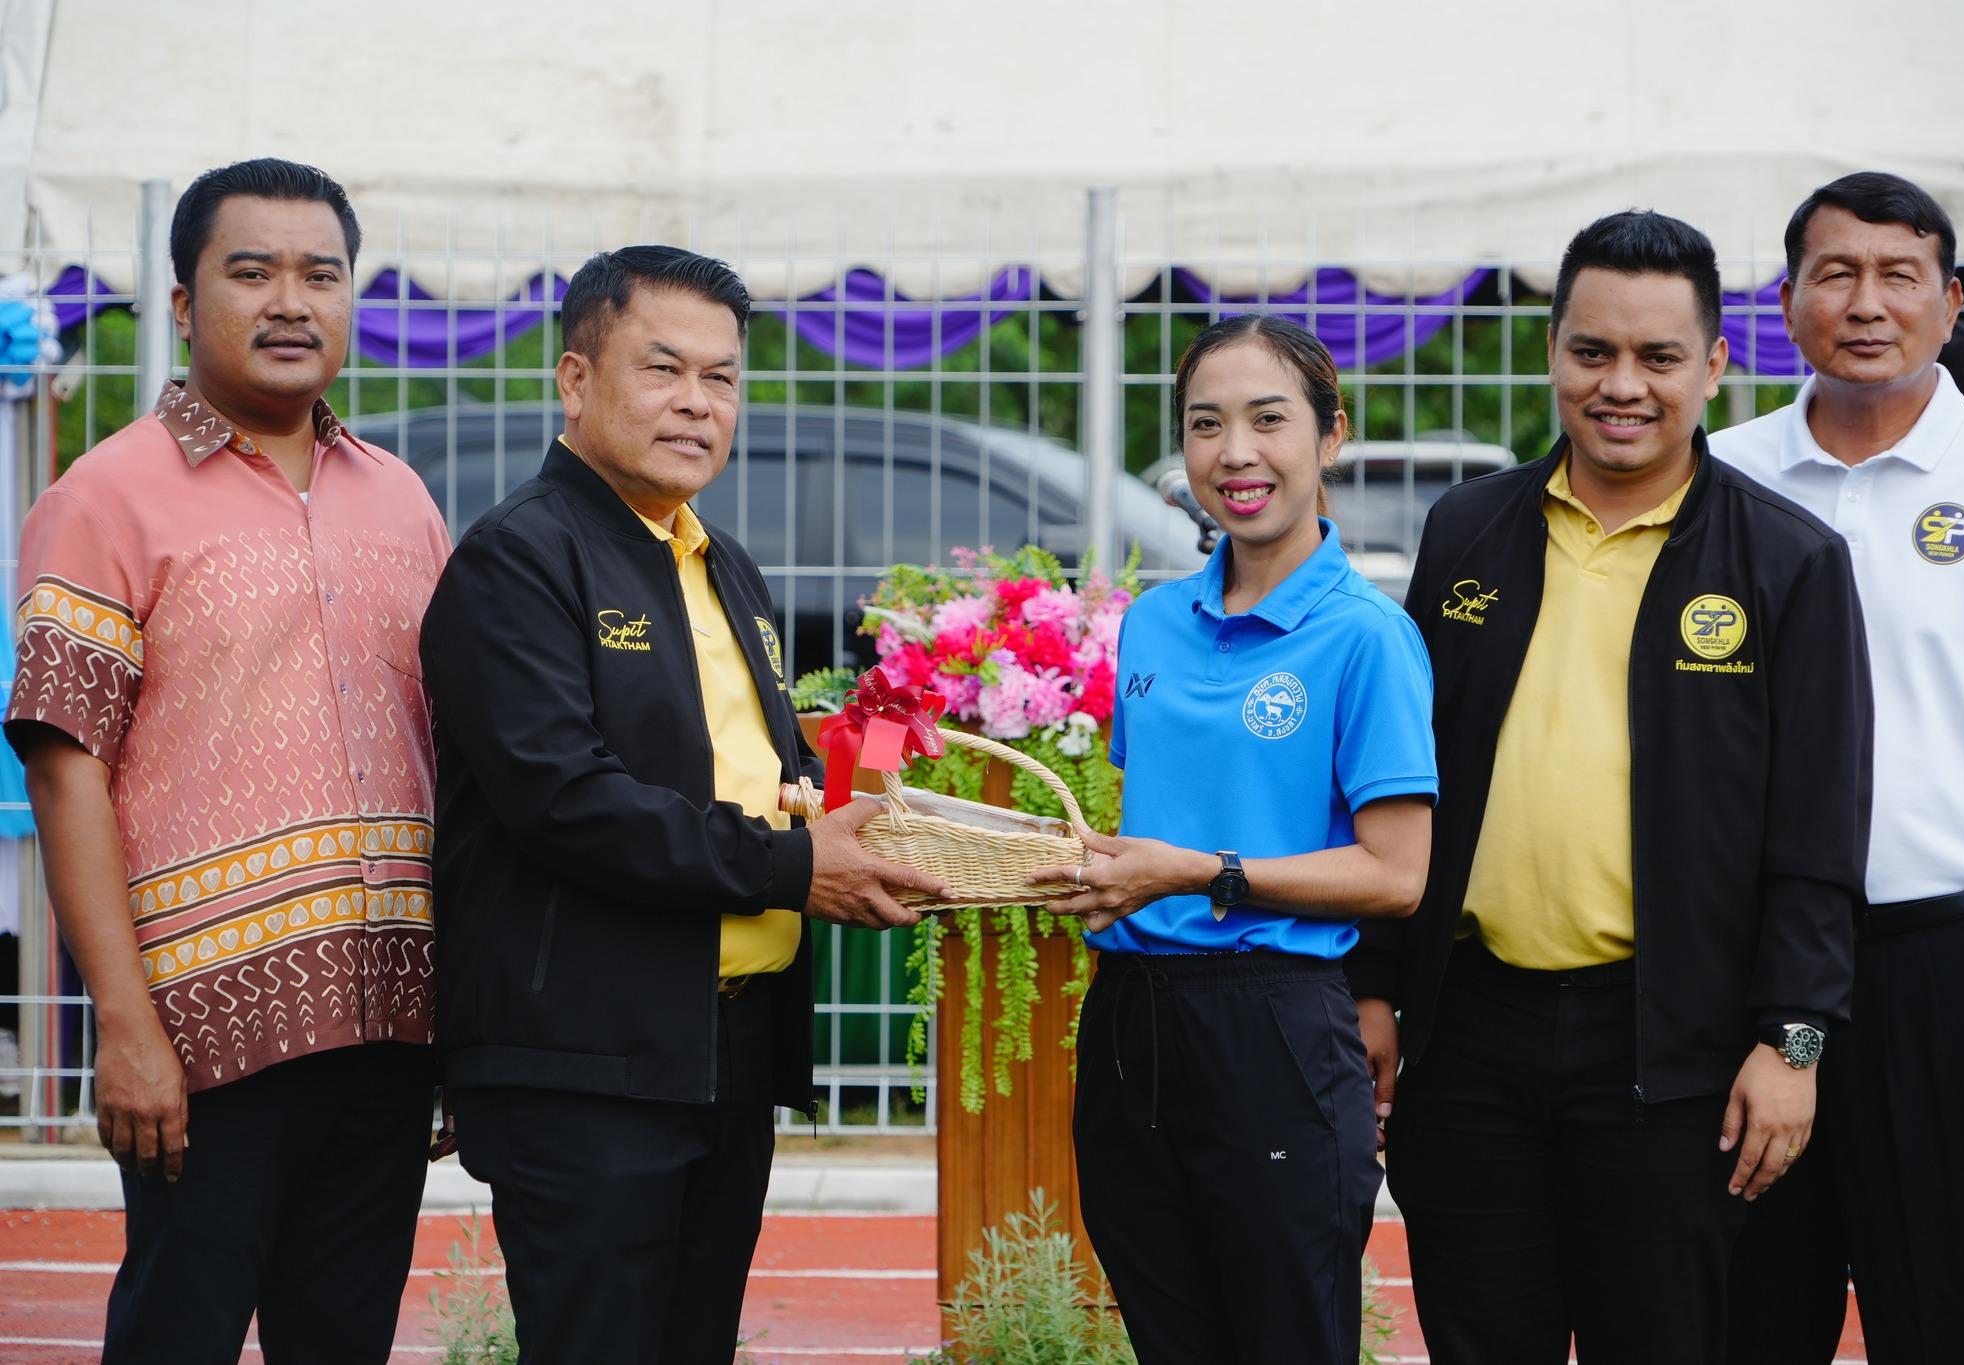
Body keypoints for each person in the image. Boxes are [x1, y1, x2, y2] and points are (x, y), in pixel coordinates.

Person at [1344, 210, 1872, 1365]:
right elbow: (1400, 779)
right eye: (1590, 351)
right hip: (1468, 1038)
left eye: (1656, 357)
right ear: (1550, 353)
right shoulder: (1466, 530)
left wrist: (1791, 1043)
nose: (1620, 386)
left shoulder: (1786, 561)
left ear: (1714, 364)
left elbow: (1817, 830)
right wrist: (1375, 986)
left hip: (1670, 1049)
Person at [419, 245, 950, 1365]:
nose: (696, 403)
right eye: (662, 369)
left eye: (721, 377)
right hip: (587, 1057)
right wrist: (797, 866)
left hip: (726, 1048)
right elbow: (566, 800)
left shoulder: (723, 565)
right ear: (575, 379)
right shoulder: (518, 558)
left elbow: (761, 773)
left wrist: (863, 782)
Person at [5, 159, 450, 1362]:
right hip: (202, 1033)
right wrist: (125, 1027)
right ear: (185, 300)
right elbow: (65, 772)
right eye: (251, 272)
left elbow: (447, 756)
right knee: (178, 1335)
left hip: (388, 1022)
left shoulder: (403, 501)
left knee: (342, 1341)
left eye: (321, 274)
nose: (290, 302)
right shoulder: (104, 498)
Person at [1027, 314, 1437, 1365]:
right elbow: (1161, 818)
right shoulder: (1154, 622)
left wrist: (1199, 873)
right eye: (1205, 424)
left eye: (1268, 419)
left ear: (1330, 434)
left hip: (1274, 1028)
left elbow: (1397, 875)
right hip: (1130, 1024)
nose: (1235, 453)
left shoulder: (1368, 635)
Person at [1720, 172, 1964, 1365]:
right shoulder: (1719, 477)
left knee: (1951, 1322)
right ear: (1785, 302)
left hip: (1943, 972)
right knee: (1743, 1320)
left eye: (1897, 276)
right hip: (1749, 973)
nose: (1865, 304)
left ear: (1948, 304)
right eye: (1835, 274)